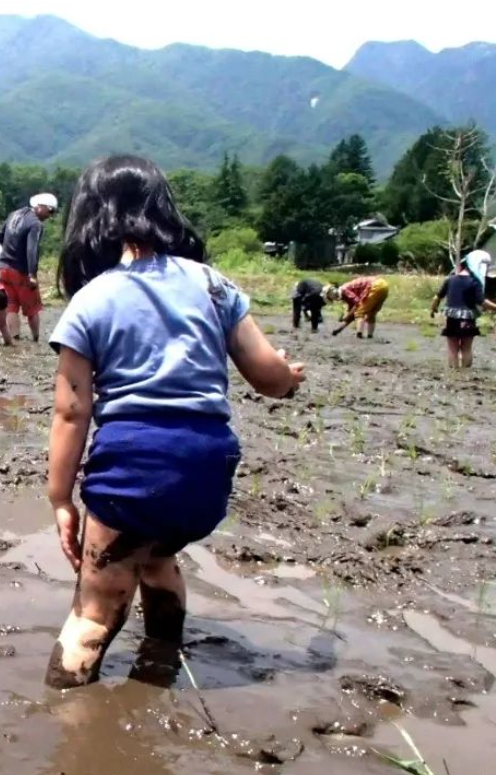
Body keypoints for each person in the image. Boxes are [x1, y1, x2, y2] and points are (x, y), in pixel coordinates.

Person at [44, 155, 305, 690]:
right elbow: (269, 378)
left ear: (90, 219)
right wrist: (290, 375)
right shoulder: (213, 286)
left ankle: (70, 724)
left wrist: (60, 499)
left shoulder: (91, 299)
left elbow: (72, 411)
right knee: (159, 559)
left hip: (133, 468)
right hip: (206, 467)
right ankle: (159, 665)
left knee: (95, 607)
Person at [0, 193, 59, 342]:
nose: (50, 215)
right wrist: (32, 274)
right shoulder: (35, 224)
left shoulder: (14, 214)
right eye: (49, 211)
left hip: (4, 268)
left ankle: (14, 339)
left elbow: (0, 236)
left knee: (11, 306)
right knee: (32, 308)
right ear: (39, 206)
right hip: (21, 271)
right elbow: (32, 250)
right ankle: (36, 339)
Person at [431, 250, 489, 368]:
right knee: (466, 349)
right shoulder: (475, 282)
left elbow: (437, 297)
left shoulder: (450, 279)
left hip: (452, 318)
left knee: (452, 349)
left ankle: (455, 376)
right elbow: (482, 302)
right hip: (468, 319)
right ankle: (465, 376)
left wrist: (433, 309)